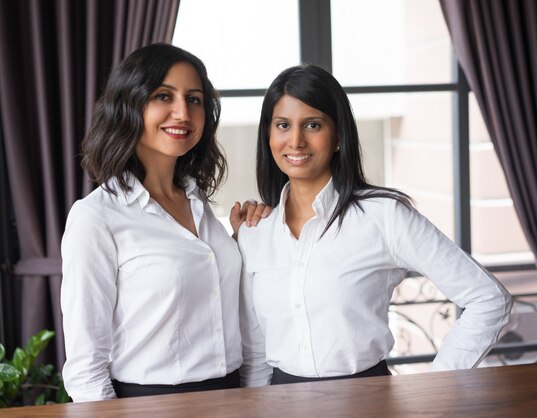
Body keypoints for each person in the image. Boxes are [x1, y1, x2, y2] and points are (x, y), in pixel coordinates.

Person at [237, 64, 513, 387]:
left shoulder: (384, 217)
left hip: (369, 401)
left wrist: (435, 387)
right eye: (283, 125)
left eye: (312, 124)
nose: (295, 140)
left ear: (338, 136)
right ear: (268, 136)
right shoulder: (254, 232)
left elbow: (489, 298)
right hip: (279, 404)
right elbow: (255, 354)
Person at [61, 43, 266, 402]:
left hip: (233, 397)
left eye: (194, 99)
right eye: (163, 96)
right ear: (129, 106)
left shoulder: (200, 205)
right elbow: (85, 367)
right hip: (149, 403)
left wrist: (239, 241)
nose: (182, 113)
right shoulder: (96, 218)